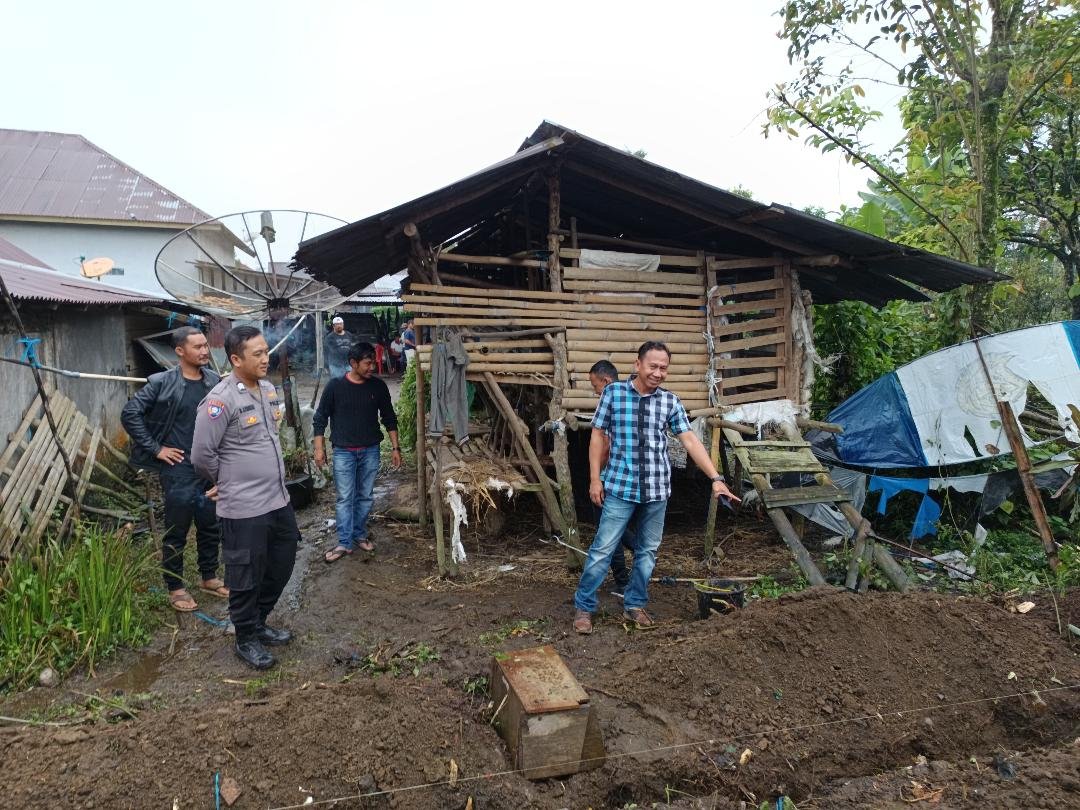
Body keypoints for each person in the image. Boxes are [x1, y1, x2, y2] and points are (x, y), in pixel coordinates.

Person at [573, 341, 739, 634]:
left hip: (656, 491)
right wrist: (595, 478)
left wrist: (716, 478)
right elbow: (598, 435)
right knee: (602, 549)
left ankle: (635, 604)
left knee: (647, 552)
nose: (658, 373)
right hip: (620, 487)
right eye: (653, 366)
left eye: (664, 368)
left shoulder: (669, 401)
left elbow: (689, 439)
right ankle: (584, 607)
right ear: (638, 365)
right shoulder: (613, 394)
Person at [191, 326, 299, 670]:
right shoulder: (220, 400)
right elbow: (201, 455)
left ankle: (259, 621)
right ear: (236, 359)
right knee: (244, 574)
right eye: (258, 354)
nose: (266, 359)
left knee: (282, 563)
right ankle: (245, 638)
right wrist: (226, 480)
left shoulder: (267, 390)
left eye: (266, 351)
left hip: (278, 500)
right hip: (243, 508)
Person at [121, 327, 226, 612]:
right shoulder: (162, 382)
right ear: (180, 351)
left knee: (210, 524)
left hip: (208, 468)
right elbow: (130, 414)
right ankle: (175, 586)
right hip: (178, 469)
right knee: (177, 529)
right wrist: (157, 449)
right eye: (198, 347)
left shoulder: (214, 382)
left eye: (206, 345)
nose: (205, 351)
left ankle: (209, 576)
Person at [313, 342, 401, 562]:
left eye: (372, 362)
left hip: (371, 450)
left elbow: (389, 417)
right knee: (345, 498)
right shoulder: (335, 387)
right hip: (343, 452)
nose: (372, 367)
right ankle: (344, 542)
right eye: (367, 363)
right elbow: (320, 419)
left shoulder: (378, 387)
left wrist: (396, 447)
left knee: (365, 496)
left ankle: (360, 535)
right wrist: (318, 448)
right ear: (353, 363)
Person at [588, 359, 633, 598]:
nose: (594, 391)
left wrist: (597, 477)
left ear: (606, 381)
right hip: (625, 478)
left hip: (609, 478)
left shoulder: (609, 402)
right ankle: (640, 551)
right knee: (618, 525)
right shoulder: (629, 400)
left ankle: (623, 582)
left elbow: (604, 444)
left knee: (608, 532)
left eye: (595, 385)